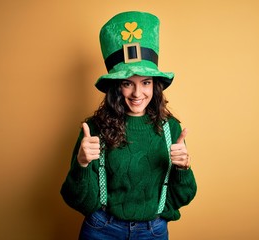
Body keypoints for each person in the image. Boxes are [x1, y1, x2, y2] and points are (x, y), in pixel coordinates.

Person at [61, 11, 197, 240]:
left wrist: (183, 169)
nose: (137, 93)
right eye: (127, 83)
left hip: (153, 232)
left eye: (146, 82)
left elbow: (182, 196)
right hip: (102, 230)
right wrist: (81, 164)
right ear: (116, 87)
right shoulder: (93, 129)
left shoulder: (170, 129)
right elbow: (78, 200)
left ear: (155, 86)